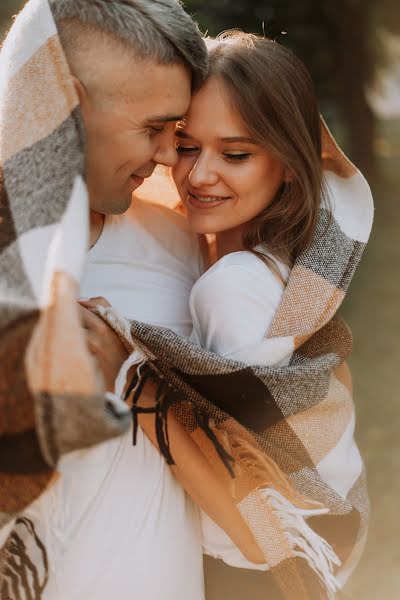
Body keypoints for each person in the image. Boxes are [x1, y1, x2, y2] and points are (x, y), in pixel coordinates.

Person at [87, 32, 373, 599]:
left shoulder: (232, 286)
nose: (197, 176)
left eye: (236, 154)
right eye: (186, 145)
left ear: (290, 164)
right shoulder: (288, 266)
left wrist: (130, 372)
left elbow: (248, 496)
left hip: (253, 576)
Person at [0, 1, 210, 599]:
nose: (171, 157)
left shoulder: (182, 242)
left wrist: (138, 377)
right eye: (153, 129)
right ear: (64, 102)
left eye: (178, 133)